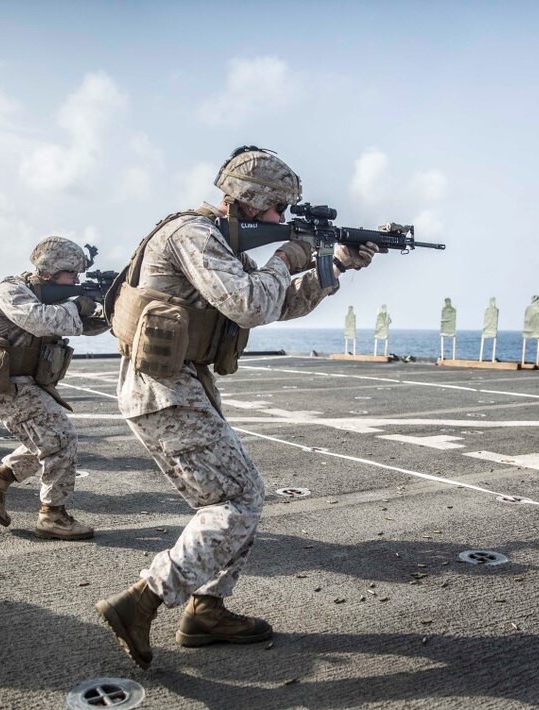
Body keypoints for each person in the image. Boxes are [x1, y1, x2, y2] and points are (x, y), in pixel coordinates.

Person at [94, 145, 378, 669]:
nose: (282, 220)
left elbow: (274, 305)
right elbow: (249, 300)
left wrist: (330, 265)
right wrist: (287, 256)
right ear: (249, 202)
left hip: (182, 386)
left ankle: (207, 610)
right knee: (237, 501)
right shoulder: (193, 234)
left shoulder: (222, 242)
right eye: (277, 211)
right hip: (163, 389)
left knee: (233, 499)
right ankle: (142, 601)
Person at [0, 236, 108, 540]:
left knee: (46, 441)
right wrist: (77, 304)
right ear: (51, 272)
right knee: (60, 438)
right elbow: (41, 321)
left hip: (27, 384)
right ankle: (52, 516)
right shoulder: (11, 291)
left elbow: (83, 324)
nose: (77, 281)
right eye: (72, 274)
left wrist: (108, 309)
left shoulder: (51, 296)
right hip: (8, 385)